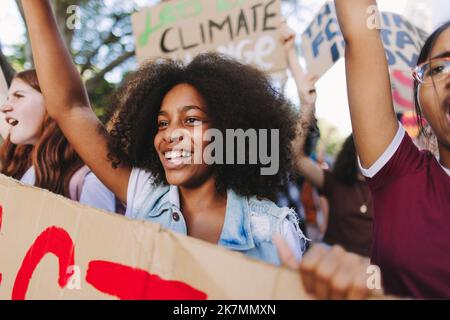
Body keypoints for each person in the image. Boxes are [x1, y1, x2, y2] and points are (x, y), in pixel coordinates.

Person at [21, 0, 307, 265]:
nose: (170, 135)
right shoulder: (144, 193)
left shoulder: (274, 230)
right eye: (162, 123)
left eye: (191, 120)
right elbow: (70, 109)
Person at [280, 21, 373, 257]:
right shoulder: (334, 183)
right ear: (352, 150)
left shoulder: (390, 190)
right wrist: (307, 106)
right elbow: (295, 158)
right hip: (326, 276)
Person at [1, 69, 117, 212]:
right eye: (7, 98)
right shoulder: (25, 169)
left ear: (54, 103)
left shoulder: (91, 180)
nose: (4, 108)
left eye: (18, 96)